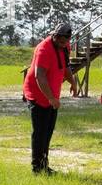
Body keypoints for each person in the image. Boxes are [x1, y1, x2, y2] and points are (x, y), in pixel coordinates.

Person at [22, 22, 79, 175]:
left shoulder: (65, 47)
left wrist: (73, 83)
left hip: (52, 95)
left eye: (65, 40)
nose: (61, 42)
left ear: (68, 39)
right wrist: (51, 98)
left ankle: (44, 165)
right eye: (58, 38)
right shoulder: (44, 49)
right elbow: (39, 76)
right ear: (54, 35)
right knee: (40, 132)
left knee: (48, 131)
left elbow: (65, 66)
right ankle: (37, 168)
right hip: (37, 94)